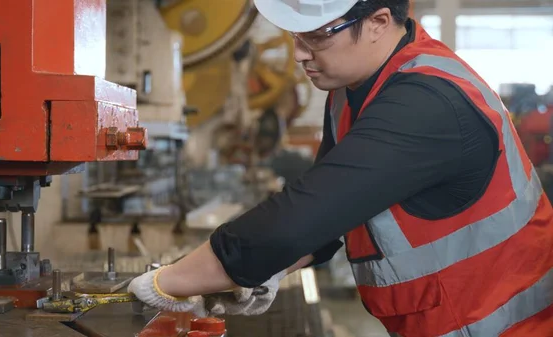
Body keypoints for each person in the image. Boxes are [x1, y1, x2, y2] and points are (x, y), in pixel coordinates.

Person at [128, 0, 553, 336]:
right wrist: (268, 269)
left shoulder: (426, 103)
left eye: (316, 37)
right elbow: (328, 216)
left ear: (378, 21)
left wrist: (166, 283)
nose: (298, 54)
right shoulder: (353, 91)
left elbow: (294, 222)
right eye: (295, 36)